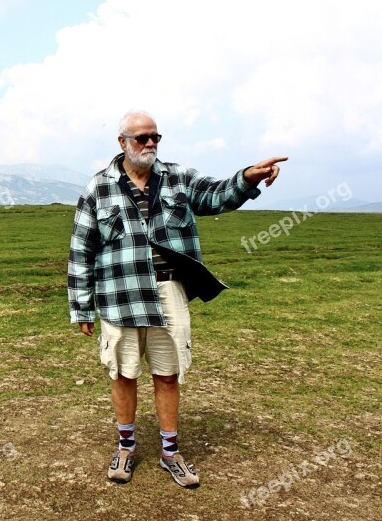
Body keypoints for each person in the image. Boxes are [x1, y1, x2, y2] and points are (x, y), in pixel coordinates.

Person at [68, 110, 286, 488]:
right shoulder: (98, 188)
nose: (150, 143)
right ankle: (125, 448)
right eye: (142, 138)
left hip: (169, 291)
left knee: (168, 374)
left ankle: (171, 453)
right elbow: (81, 251)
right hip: (120, 294)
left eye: (156, 137)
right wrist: (83, 306)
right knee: (123, 373)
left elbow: (217, 195)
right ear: (122, 143)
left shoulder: (178, 178)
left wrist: (248, 176)